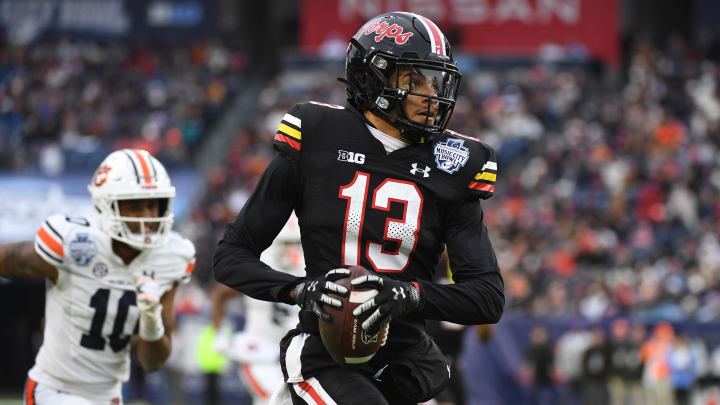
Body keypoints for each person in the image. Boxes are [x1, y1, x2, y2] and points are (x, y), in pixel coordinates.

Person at [214, 11, 504, 405]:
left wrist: (409, 296)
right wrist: (300, 290)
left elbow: (487, 297)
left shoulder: (453, 163)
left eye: (434, 81)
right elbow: (231, 256)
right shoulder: (316, 136)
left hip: (403, 363)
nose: (431, 95)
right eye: (414, 80)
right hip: (323, 355)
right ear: (373, 77)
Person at [0, 149, 196, 405]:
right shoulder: (75, 243)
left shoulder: (171, 257)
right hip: (54, 391)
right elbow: (8, 260)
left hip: (108, 398)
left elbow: (152, 362)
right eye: (135, 205)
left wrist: (151, 322)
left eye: (153, 204)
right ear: (105, 205)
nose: (147, 216)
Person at [210, 214, 304, 405]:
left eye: (294, 243)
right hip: (262, 350)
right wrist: (219, 332)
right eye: (285, 243)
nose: (289, 249)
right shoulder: (260, 264)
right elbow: (221, 294)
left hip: (298, 352)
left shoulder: (309, 265)